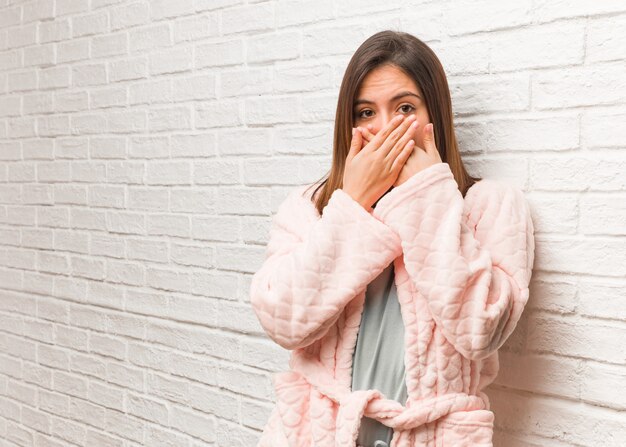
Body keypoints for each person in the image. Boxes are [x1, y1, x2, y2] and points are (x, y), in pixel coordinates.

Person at [249, 29, 535, 447]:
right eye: (366, 113)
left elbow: (481, 330)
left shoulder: (489, 205)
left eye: (404, 107)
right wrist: (351, 203)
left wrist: (428, 196)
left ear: (433, 113)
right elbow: (283, 320)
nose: (384, 129)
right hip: (317, 432)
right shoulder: (311, 208)